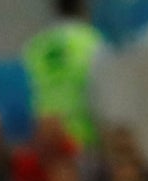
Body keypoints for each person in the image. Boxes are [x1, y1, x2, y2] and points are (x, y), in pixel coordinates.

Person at [22, 0, 107, 149]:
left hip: (46, 136)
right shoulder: (92, 41)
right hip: (83, 135)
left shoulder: (36, 45)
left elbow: (26, 91)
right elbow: (105, 91)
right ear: (83, 7)